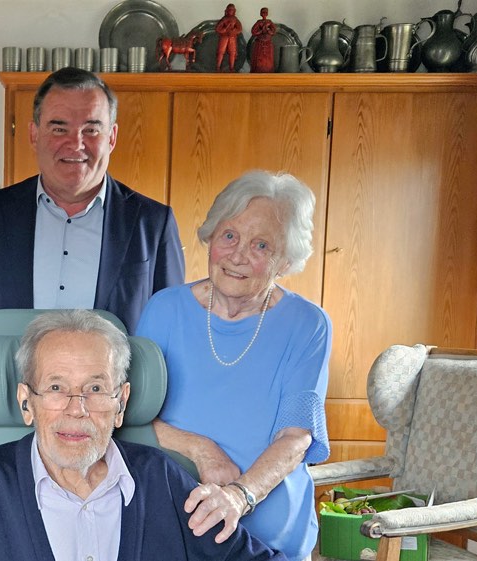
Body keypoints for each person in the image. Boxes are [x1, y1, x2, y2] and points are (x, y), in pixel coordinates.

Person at [0, 310, 286, 561]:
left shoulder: (161, 479)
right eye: (55, 388)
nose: (76, 407)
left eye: (96, 389)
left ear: (121, 403)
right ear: (26, 403)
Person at [136, 171, 331, 561]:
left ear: (285, 261)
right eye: (229, 236)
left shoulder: (307, 324)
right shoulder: (164, 309)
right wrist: (202, 449)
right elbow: (128, 416)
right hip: (176, 526)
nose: (238, 255)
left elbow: (296, 437)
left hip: (272, 535)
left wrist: (240, 495)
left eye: (261, 245)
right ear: (210, 237)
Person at [0, 67, 185, 334]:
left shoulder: (153, 224)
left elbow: (172, 331)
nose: (76, 144)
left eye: (91, 130)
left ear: (111, 137)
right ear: (34, 134)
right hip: (4, 377)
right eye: (58, 128)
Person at [215, 3, 243, 72]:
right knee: (221, 52)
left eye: (232, 10)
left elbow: (239, 29)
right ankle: (218, 67)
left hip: (232, 38)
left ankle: (231, 67)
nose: (231, 11)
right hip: (224, 37)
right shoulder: (224, 19)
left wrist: (234, 30)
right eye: (229, 10)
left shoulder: (235, 19)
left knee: (232, 52)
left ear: (234, 11)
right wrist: (224, 29)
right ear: (227, 10)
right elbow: (218, 29)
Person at [249, 7, 277, 73]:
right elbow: (253, 32)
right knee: (259, 58)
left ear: (267, 13)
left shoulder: (269, 22)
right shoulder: (259, 22)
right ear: (260, 13)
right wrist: (261, 30)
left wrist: (268, 30)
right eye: (263, 12)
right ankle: (258, 70)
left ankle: (268, 70)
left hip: (268, 43)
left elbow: (274, 32)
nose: (264, 14)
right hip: (260, 42)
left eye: (265, 12)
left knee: (268, 58)